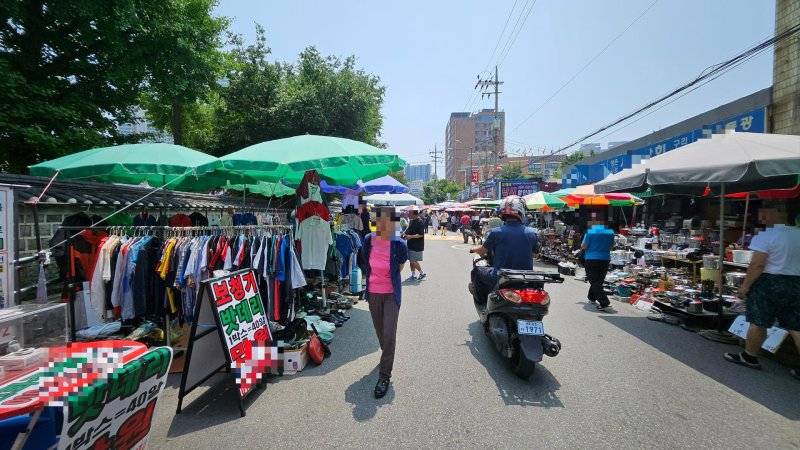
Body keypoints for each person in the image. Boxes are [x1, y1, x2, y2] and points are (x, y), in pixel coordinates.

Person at [724, 210, 800, 381]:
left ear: (775, 216)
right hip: (796, 283)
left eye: (764, 216)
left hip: (769, 283)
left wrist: (745, 286)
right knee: (796, 326)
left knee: (759, 322)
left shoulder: (766, 236)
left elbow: (757, 264)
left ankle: (749, 356)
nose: (761, 220)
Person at [362, 206, 409, 398]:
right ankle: (386, 354)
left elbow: (399, 266)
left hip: (391, 294)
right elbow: (366, 263)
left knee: (389, 334)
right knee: (380, 331)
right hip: (373, 293)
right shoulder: (368, 241)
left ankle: (384, 375)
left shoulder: (399, 244)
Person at [469, 196, 539, 304]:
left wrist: (474, 248)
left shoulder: (496, 232)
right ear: (521, 212)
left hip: (500, 276)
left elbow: (482, 250)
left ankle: (481, 301)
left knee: (478, 271)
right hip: (525, 277)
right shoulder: (532, 233)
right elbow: (535, 255)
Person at [582, 224, 615, 312]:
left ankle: (604, 302)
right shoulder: (610, 232)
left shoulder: (590, 232)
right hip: (605, 258)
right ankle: (592, 297)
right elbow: (612, 246)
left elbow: (584, 246)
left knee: (593, 280)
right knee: (599, 280)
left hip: (592, 258)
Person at [402, 208, 427, 280]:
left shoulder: (420, 222)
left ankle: (422, 273)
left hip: (417, 244)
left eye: (411, 214)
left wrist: (411, 236)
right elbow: (408, 228)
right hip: (410, 243)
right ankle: (413, 275)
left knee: (413, 260)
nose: (409, 215)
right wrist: (405, 232)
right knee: (410, 259)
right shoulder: (412, 221)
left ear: (415, 214)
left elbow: (421, 234)